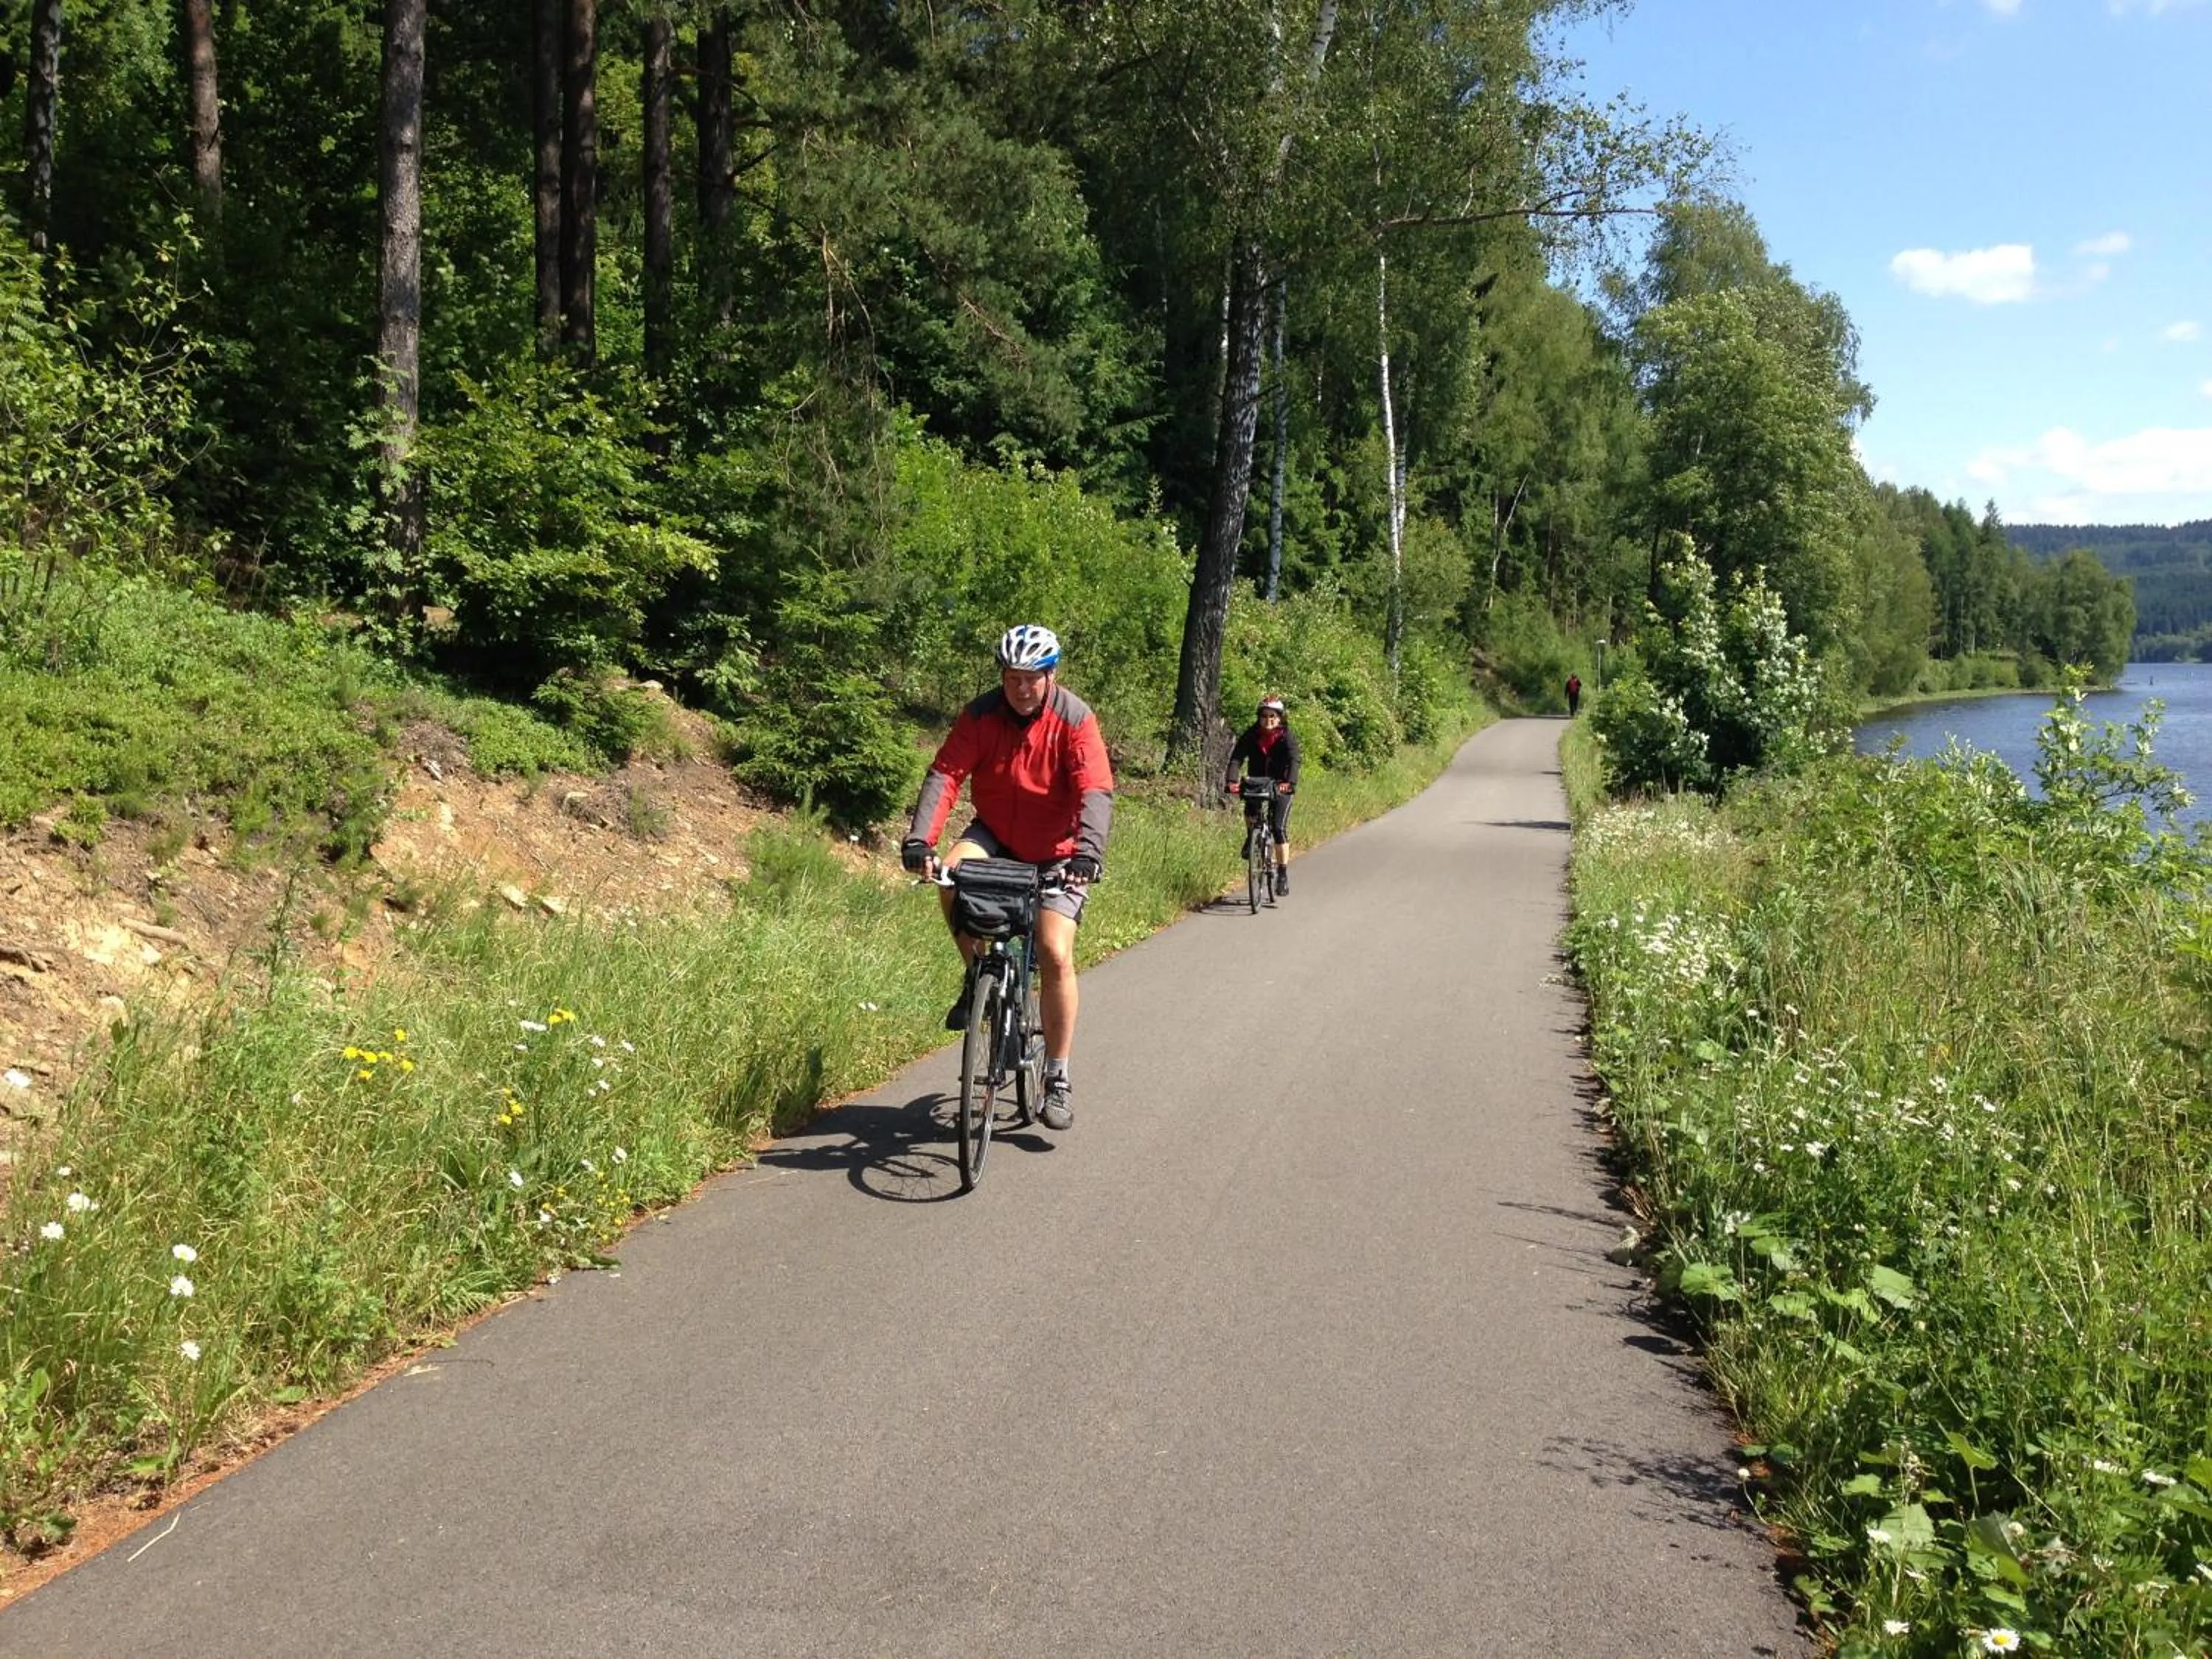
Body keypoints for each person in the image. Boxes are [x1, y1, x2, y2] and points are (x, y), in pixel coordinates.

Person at [902, 624, 1113, 1133]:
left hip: (1059, 849)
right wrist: (920, 841)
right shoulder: (980, 715)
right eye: (1012, 678)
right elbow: (946, 774)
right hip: (996, 834)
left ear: (1051, 675)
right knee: (951, 877)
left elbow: (1095, 789)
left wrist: (1087, 854)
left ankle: (1057, 1076)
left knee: (1054, 951)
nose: (1021, 688)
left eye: (1031, 678)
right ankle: (978, 973)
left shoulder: (1074, 719)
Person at [1223, 694, 1299, 895]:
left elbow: (1294, 760)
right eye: (1264, 716)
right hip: (1256, 782)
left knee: (1278, 828)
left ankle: (1282, 874)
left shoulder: (1287, 737)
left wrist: (1290, 783)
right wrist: (1231, 781)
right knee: (1251, 812)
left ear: (1280, 718)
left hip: (1280, 784)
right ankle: (1251, 837)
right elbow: (1237, 758)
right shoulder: (1252, 734)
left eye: (1273, 716)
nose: (1268, 720)